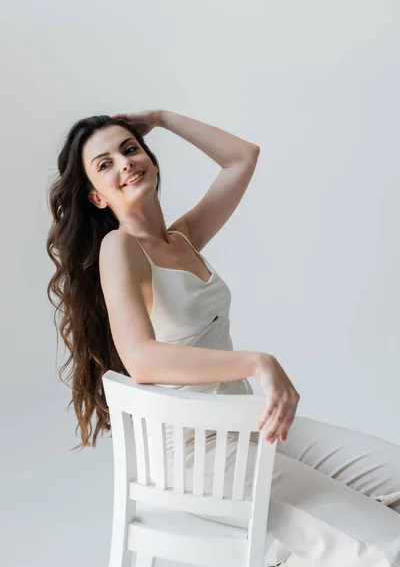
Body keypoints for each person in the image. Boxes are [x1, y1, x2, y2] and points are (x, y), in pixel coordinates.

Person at [47, 109, 400, 566]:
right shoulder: (120, 247)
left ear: (152, 160)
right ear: (96, 197)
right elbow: (142, 360)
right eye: (105, 163)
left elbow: (241, 159)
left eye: (130, 149)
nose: (124, 163)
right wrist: (258, 362)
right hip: (198, 453)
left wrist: (161, 117)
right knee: (387, 544)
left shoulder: (183, 238)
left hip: (248, 421)